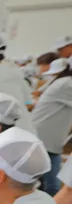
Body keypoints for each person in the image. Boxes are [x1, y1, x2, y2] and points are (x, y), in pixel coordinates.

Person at [32, 58, 72, 194]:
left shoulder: (63, 82)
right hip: (45, 137)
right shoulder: (66, 84)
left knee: (50, 185)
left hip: (48, 137)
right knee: (50, 186)